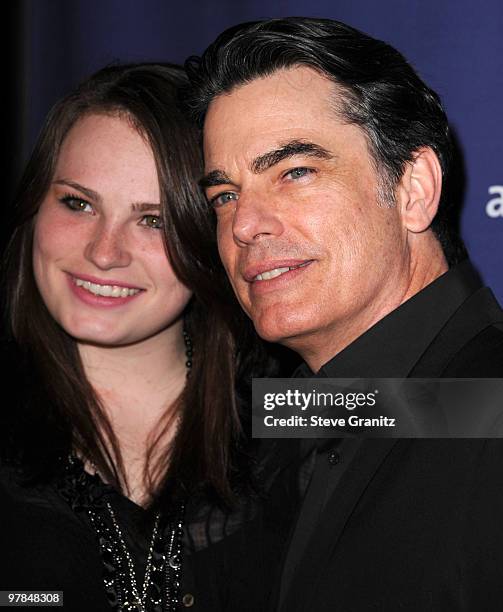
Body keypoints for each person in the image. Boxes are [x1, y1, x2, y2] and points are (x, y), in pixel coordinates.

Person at [184, 17, 503, 611]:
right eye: (224, 196)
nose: (245, 226)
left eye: (296, 172)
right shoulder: (286, 418)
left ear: (413, 189)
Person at [0, 63, 297, 612]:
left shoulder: (289, 408)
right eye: (78, 203)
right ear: (34, 207)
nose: (104, 252)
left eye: (153, 220)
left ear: (207, 241)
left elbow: (467, 407)